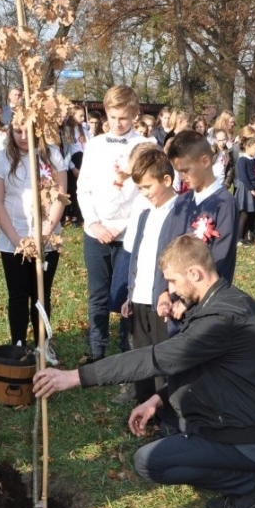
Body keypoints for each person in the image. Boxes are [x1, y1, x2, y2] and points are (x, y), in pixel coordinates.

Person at [33, 235, 255, 508]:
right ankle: (233, 461)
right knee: (180, 434)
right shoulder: (227, 301)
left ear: (194, 273)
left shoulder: (220, 320)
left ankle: (252, 482)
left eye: (172, 281)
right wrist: (156, 400)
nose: (171, 290)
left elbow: (155, 357)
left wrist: (76, 377)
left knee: (150, 461)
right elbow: (200, 367)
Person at [76, 84, 152, 362]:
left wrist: (122, 226)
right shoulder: (94, 145)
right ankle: (97, 350)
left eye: (124, 117)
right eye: (113, 116)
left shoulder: (145, 147)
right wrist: (94, 223)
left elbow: (147, 195)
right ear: (105, 113)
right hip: (96, 231)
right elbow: (83, 188)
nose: (118, 123)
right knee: (97, 293)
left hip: (129, 233)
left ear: (135, 114)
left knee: (126, 295)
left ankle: (125, 353)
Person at [0, 123, 66, 349]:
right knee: (18, 295)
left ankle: (43, 346)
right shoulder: (3, 159)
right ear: (10, 132)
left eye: (29, 131)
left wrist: (44, 235)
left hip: (46, 236)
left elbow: (61, 195)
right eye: (18, 131)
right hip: (14, 237)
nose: (24, 137)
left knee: (41, 295)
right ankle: (19, 345)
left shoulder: (52, 155)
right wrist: (17, 241)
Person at [156, 129, 238, 322]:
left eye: (185, 170)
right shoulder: (181, 202)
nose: (182, 176)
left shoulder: (224, 204)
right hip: (174, 299)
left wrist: (188, 301)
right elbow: (166, 247)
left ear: (205, 161)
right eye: (178, 172)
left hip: (202, 304)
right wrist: (163, 291)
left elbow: (221, 257)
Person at [121, 147, 177, 403]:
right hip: (140, 298)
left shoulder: (179, 213)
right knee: (142, 356)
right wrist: (130, 295)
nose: (144, 194)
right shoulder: (145, 215)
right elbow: (137, 257)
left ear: (166, 180)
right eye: (140, 189)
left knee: (163, 358)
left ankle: (165, 411)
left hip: (162, 300)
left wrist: (170, 293)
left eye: (147, 187)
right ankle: (142, 407)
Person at [235, 134, 255, 245]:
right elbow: (243, 177)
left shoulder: (254, 161)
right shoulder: (242, 160)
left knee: (251, 214)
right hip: (246, 188)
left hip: (254, 187)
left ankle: (247, 237)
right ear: (247, 147)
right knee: (244, 214)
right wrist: (251, 189)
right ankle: (238, 238)